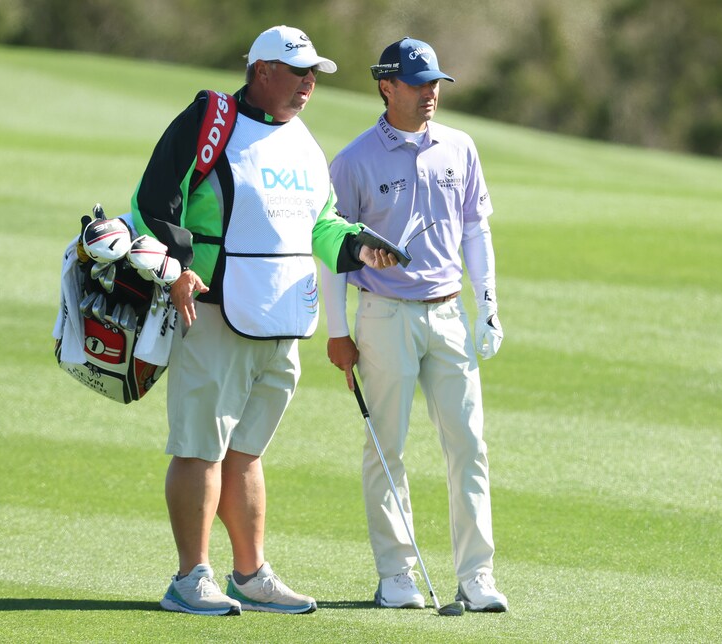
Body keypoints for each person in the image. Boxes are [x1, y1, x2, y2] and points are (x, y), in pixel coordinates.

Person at [130, 25, 397, 617]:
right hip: (214, 311)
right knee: (200, 448)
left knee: (245, 452)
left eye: (314, 74)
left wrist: (357, 248)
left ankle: (249, 575)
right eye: (297, 71)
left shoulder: (303, 141)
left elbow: (322, 225)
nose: (308, 83)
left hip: (282, 319)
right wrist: (174, 266)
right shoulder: (210, 120)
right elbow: (152, 201)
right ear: (261, 71)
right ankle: (189, 577)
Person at [320, 37, 508, 613]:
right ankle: (397, 575)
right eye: (418, 82)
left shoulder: (460, 146)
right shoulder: (352, 161)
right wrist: (337, 331)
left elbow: (476, 229)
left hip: (448, 314)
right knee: (387, 449)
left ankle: (477, 577)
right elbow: (330, 250)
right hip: (383, 316)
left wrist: (489, 303)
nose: (430, 93)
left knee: (469, 446)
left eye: (435, 83)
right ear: (387, 87)